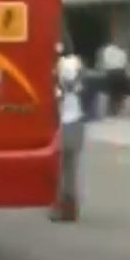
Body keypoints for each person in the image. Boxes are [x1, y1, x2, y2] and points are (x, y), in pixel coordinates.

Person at [50, 48, 85, 222]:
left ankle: (62, 208)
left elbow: (59, 92)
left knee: (61, 168)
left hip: (65, 122)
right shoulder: (77, 64)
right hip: (77, 121)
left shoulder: (61, 66)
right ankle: (71, 208)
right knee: (70, 169)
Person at [97, 37, 130, 116]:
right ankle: (119, 106)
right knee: (121, 91)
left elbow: (103, 63)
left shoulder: (106, 50)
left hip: (110, 73)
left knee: (111, 91)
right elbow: (126, 65)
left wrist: (102, 71)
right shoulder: (123, 52)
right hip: (120, 73)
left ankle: (112, 109)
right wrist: (128, 75)